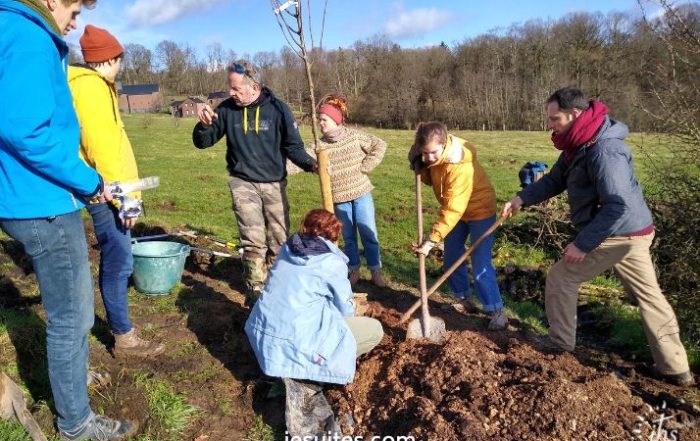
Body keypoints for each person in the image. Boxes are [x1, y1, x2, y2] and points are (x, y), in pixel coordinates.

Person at [0, 0, 137, 439]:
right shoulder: (28, 36)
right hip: (43, 202)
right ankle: (76, 421)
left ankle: (71, 384)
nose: (74, 22)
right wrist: (90, 180)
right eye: (74, 10)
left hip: (21, 194)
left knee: (67, 316)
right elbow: (27, 129)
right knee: (72, 317)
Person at [502, 87, 694, 386]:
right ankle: (675, 368)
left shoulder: (604, 150)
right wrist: (521, 199)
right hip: (634, 232)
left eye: (554, 119)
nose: (550, 124)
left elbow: (617, 204)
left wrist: (582, 243)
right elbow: (555, 179)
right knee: (649, 297)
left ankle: (559, 343)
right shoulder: (580, 142)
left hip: (618, 232)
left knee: (562, 277)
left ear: (574, 114)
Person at [68, 25, 164, 357]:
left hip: (111, 188)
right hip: (106, 192)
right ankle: (124, 337)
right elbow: (104, 150)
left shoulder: (97, 87)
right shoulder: (92, 89)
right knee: (119, 259)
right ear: (112, 58)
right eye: (120, 59)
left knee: (118, 258)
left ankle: (122, 329)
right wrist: (127, 201)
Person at [193, 60, 317, 301]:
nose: (231, 93)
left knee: (279, 240)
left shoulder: (279, 110)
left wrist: (312, 164)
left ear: (254, 87)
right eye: (230, 88)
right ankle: (255, 293)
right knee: (253, 242)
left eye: (236, 88)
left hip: (274, 184)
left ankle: (276, 288)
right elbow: (203, 142)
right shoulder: (227, 109)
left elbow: (294, 147)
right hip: (243, 183)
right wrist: (203, 126)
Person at [245, 209, 384, 384]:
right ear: (334, 235)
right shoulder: (332, 262)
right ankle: (316, 374)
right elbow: (345, 311)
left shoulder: (287, 248)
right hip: (294, 345)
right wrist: (355, 305)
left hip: (262, 338)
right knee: (374, 330)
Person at [409, 122, 508, 331]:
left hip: (479, 211)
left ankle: (496, 311)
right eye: (425, 153)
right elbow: (434, 178)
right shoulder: (435, 157)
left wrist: (431, 240)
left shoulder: (459, 165)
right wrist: (420, 165)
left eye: (433, 152)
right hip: (456, 213)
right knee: (452, 256)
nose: (430, 157)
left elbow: (454, 208)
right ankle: (464, 299)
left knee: (480, 263)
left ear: (444, 145)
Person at [313, 94, 388, 287]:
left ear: (336, 120)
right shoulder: (320, 145)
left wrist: (366, 166)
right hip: (339, 198)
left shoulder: (355, 136)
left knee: (369, 234)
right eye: (319, 119)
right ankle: (353, 270)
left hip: (361, 194)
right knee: (348, 237)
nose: (320, 123)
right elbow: (300, 160)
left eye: (324, 119)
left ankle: (375, 271)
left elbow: (379, 144)